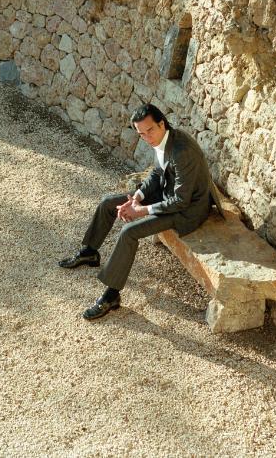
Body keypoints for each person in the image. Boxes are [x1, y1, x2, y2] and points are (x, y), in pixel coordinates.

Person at [58, 103, 220, 320]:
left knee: (129, 231)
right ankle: (89, 252)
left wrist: (142, 211)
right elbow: (156, 173)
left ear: (161, 123)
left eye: (149, 130)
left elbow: (181, 200)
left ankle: (111, 296)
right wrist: (137, 198)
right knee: (108, 202)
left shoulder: (183, 151)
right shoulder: (162, 138)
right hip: (167, 193)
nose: (146, 137)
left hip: (188, 209)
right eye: (140, 133)